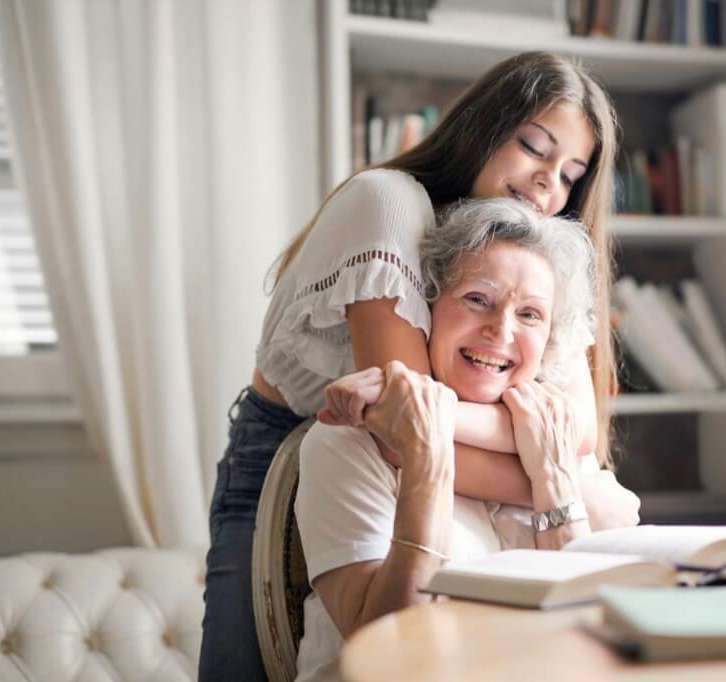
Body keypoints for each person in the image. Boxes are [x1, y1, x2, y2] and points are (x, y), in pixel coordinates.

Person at [199, 51, 640, 681]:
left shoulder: (534, 253)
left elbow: (576, 428)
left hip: (417, 454)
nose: (549, 184)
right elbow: (412, 433)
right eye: (534, 148)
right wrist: (565, 480)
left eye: (571, 174)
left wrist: (560, 461)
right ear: (482, 129)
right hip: (294, 453)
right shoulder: (388, 204)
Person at [296, 198, 604, 680]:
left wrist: (555, 478)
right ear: (430, 306)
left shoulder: (553, 438)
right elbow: (391, 650)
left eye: (529, 315)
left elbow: (588, 633)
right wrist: (427, 460)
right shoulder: (346, 444)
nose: (500, 330)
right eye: (478, 299)